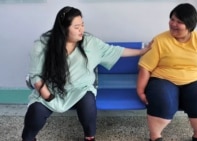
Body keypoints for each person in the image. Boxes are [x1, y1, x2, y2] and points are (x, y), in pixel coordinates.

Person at [21, 6, 150, 141]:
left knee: (88, 102)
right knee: (36, 112)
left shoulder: (89, 42)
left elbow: (113, 51)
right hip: (50, 90)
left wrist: (142, 51)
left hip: (81, 88)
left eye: (82, 25)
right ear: (63, 28)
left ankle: (89, 137)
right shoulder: (42, 44)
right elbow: (36, 76)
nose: (82, 29)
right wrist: (48, 97)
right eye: (76, 27)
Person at [137, 3, 197, 141]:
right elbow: (145, 67)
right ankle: (155, 137)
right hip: (163, 79)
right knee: (161, 100)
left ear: (190, 25)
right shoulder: (160, 40)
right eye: (172, 19)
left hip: (195, 80)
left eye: (179, 22)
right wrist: (140, 91)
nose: (173, 24)